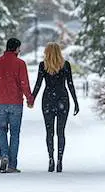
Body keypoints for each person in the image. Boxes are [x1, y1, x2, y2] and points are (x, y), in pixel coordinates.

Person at [0, 38, 34, 173]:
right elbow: (24, 83)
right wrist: (29, 99)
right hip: (15, 103)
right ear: (16, 49)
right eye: (19, 48)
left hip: (1, 102)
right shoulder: (20, 63)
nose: (20, 51)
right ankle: (12, 165)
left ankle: (4, 156)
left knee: (2, 130)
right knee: (14, 133)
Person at [32, 42, 79, 173]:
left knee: (49, 132)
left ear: (47, 52)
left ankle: (51, 159)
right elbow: (70, 84)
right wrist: (75, 101)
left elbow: (38, 84)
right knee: (61, 132)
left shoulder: (43, 66)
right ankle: (60, 160)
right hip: (63, 99)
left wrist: (32, 99)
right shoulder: (66, 65)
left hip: (47, 100)